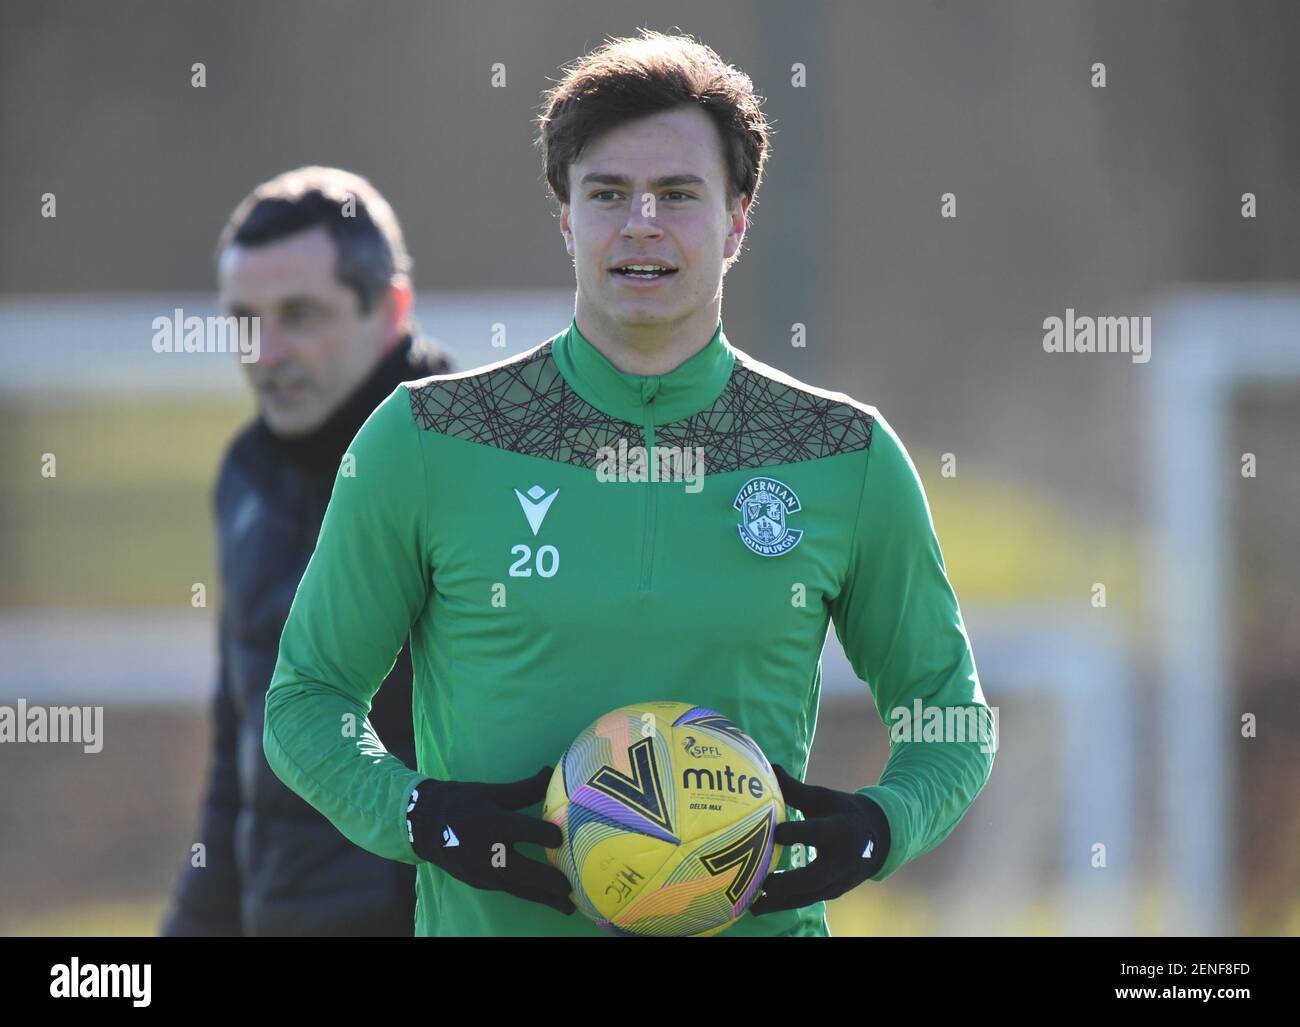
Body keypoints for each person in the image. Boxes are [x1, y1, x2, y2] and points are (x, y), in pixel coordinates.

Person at [264, 31, 994, 937]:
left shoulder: (842, 454)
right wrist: (415, 812)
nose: (640, 222)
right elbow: (306, 702)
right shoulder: (426, 440)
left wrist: (885, 826)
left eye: (679, 195)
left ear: (736, 221)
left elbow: (949, 718)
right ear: (566, 218)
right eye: (607, 193)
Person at [162, 166, 451, 935]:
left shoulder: (478, 469)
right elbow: (239, 766)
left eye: (299, 314)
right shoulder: (247, 478)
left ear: (389, 309)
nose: (266, 351)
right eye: (244, 319)